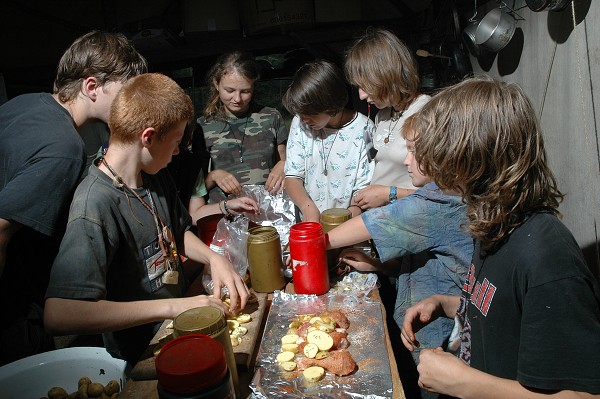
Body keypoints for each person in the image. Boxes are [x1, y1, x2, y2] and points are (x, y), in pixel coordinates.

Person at [400, 76, 600, 398]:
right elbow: (504, 310)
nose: (424, 161)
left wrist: (465, 384)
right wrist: (446, 305)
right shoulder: (494, 222)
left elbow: (584, 395)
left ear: (470, 157)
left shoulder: (547, 258)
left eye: (436, 150)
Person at [44, 73, 250, 364]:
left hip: (178, 331)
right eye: (177, 141)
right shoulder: (95, 203)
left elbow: (176, 231)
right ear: (149, 137)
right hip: (140, 353)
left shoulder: (153, 174)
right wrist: (173, 308)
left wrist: (214, 258)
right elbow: (60, 313)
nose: (178, 151)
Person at [0, 30, 147, 365]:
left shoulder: (26, 103)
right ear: (91, 87)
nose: (131, 104)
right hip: (11, 308)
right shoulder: (63, 148)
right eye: (125, 93)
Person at [325, 115, 472, 387]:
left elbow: (363, 227)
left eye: (414, 151)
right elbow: (429, 264)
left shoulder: (435, 204)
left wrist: (309, 243)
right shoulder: (447, 193)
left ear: (440, 153)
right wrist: (377, 265)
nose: (406, 161)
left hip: (437, 345)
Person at [345, 27, 430, 211]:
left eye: (366, 85)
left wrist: (388, 194)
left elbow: (443, 190)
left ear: (386, 75)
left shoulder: (426, 113)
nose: (361, 95)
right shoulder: (382, 115)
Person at [282, 59, 373, 222]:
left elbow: (363, 193)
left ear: (330, 104)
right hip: (309, 221)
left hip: (348, 224)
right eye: (301, 113)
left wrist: (340, 220)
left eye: (310, 113)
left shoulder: (365, 129)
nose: (304, 119)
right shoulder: (300, 122)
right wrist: (309, 210)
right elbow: (292, 176)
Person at [195, 51, 288, 204]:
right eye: (229, 90)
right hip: (223, 212)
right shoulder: (203, 126)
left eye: (245, 91)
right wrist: (214, 175)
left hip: (266, 209)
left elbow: (284, 162)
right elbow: (195, 189)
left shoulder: (271, 117)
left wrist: (283, 166)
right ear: (216, 84)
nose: (237, 99)